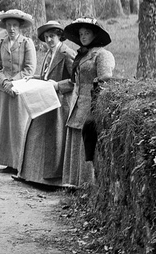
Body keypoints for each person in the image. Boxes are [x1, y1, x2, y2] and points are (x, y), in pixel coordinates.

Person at [56, 17, 115, 188]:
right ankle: (73, 181)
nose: (83, 36)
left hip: (92, 103)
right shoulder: (82, 55)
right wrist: (57, 86)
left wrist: (97, 106)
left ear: (95, 35)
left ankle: (87, 184)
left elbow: (106, 80)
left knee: (87, 142)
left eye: (87, 33)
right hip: (77, 103)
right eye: (81, 33)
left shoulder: (102, 54)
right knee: (76, 140)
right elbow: (75, 82)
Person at [17, 21, 76, 186]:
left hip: (59, 103)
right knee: (34, 133)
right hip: (45, 98)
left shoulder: (66, 53)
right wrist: (34, 78)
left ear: (60, 36)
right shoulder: (50, 52)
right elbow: (46, 76)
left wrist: (58, 85)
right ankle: (30, 175)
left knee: (53, 140)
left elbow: (76, 81)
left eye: (52, 36)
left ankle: (50, 180)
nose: (49, 40)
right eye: (46, 37)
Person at [0, 9, 37, 172]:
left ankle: (19, 164)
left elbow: (29, 68)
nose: (12, 28)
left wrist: (13, 82)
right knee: (4, 125)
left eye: (15, 25)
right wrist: (4, 81)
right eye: (9, 25)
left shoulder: (26, 43)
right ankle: (6, 161)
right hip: (3, 90)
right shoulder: (2, 43)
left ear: (20, 27)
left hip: (19, 90)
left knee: (18, 126)